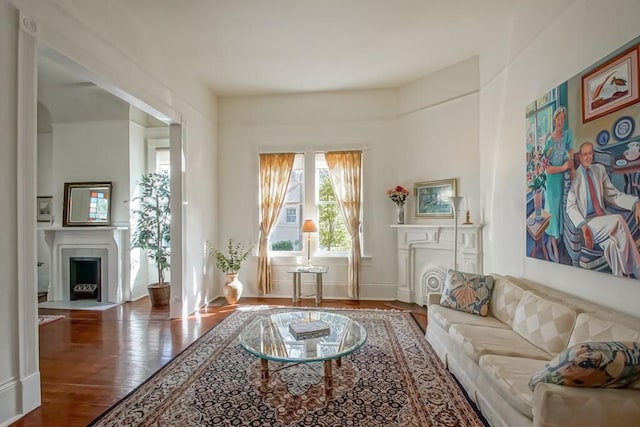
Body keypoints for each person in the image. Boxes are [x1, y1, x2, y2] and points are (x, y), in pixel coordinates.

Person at [566, 141, 640, 277]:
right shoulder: (575, 177)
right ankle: (636, 267)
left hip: (603, 220)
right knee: (618, 219)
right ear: (580, 157)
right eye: (584, 155)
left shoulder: (599, 170)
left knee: (612, 245)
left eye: (590, 153)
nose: (588, 157)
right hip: (588, 223)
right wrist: (583, 226)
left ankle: (622, 277)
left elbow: (613, 195)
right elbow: (570, 207)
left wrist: (635, 203)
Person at [543, 106, 574, 262]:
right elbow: (546, 168)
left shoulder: (567, 135)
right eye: (558, 119)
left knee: (561, 209)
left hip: (562, 179)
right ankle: (552, 243)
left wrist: (570, 163)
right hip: (552, 180)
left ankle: (558, 241)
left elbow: (570, 151)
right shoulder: (549, 141)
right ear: (554, 120)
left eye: (563, 119)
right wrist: (563, 167)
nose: (561, 121)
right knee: (552, 211)